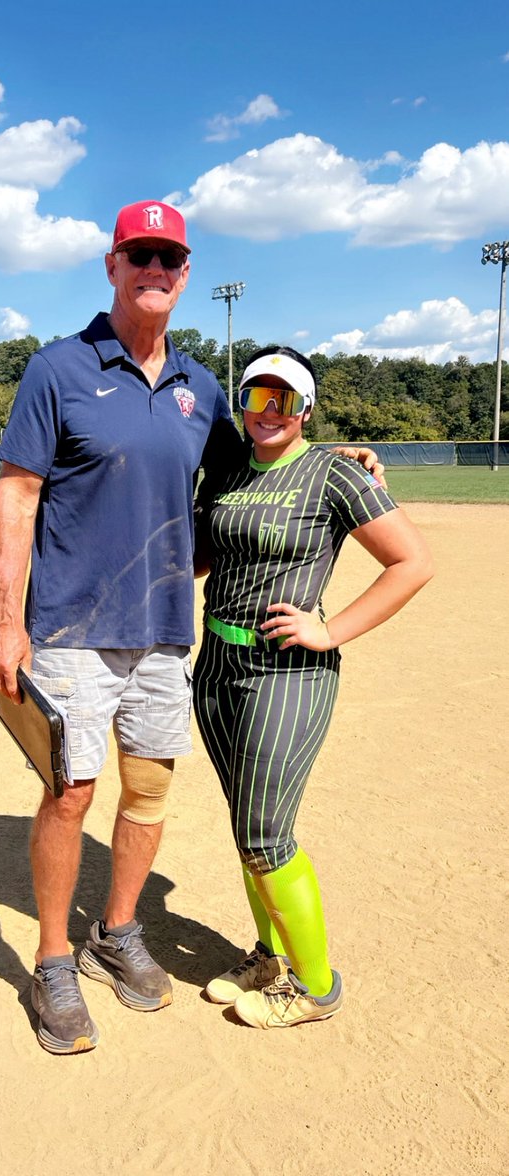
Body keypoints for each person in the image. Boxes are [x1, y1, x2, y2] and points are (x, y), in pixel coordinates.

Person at [0, 201, 383, 1056]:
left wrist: (338, 457)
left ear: (187, 272)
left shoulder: (203, 388)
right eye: (140, 254)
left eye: (170, 257)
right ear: (112, 264)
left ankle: (115, 931)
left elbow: (268, 451)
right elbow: (16, 494)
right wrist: (3, 624)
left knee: (149, 794)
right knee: (70, 793)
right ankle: (54, 959)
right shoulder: (57, 369)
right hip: (71, 628)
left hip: (166, 631)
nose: (154, 269)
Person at [193, 345, 433, 1030]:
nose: (267, 412)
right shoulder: (229, 467)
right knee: (247, 828)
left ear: (306, 408)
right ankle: (268, 952)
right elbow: (201, 556)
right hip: (215, 665)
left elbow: (411, 562)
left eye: (285, 400)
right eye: (255, 398)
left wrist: (331, 631)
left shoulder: (332, 473)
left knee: (266, 832)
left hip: (287, 671)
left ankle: (316, 988)